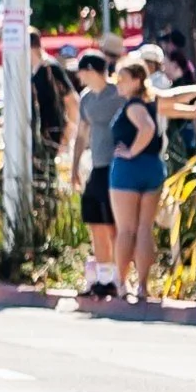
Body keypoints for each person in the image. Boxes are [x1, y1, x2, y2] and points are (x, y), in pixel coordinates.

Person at [107, 53, 166, 303]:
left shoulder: (133, 106)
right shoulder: (151, 103)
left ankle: (121, 283)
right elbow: (173, 103)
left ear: (137, 80)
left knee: (126, 229)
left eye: (123, 78)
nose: (118, 83)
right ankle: (142, 285)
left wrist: (131, 151)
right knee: (144, 228)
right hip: (152, 167)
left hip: (129, 170)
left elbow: (147, 128)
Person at [68, 52, 124, 299]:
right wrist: (74, 167)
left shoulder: (118, 93)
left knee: (115, 225)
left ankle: (120, 278)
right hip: (97, 166)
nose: (78, 76)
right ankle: (103, 278)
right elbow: (81, 134)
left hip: (119, 166)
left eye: (81, 71)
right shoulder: (86, 98)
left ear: (90, 69)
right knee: (95, 221)